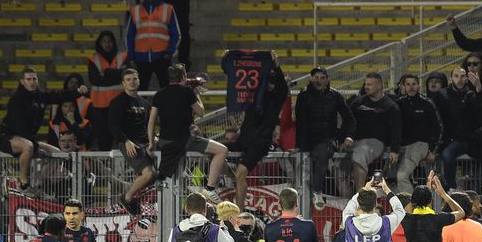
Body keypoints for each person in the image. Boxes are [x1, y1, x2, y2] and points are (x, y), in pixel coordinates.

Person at [0, 68, 89, 189]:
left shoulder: (39, 97)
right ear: (22, 81)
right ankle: (24, 183)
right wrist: (35, 146)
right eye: (28, 79)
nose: (32, 82)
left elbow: (58, 96)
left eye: (34, 79)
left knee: (57, 154)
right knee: (28, 146)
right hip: (8, 137)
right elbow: (20, 129)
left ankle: (38, 184)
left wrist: (77, 92)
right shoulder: (16, 100)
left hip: (29, 138)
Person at [148, 64, 227, 203]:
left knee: (176, 175)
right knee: (222, 150)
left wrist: (150, 143)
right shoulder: (187, 92)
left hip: (165, 141)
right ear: (183, 76)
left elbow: (151, 122)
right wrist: (196, 93)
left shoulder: (159, 94)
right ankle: (210, 189)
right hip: (185, 140)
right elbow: (201, 112)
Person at [226, 58, 289, 208]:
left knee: (241, 171)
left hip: (259, 143)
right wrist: (228, 62)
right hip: (243, 140)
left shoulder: (276, 98)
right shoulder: (253, 97)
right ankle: (231, 175)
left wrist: (276, 65)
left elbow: (282, 87)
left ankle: (239, 213)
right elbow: (238, 82)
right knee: (217, 150)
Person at [295, 66, 356, 210]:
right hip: (307, 141)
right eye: (316, 77)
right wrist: (301, 146)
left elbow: (349, 118)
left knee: (323, 153)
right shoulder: (303, 96)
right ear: (310, 79)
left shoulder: (335, 95)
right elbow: (300, 122)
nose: (319, 80)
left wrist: (346, 137)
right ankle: (303, 202)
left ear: (327, 80)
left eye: (322, 78)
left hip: (327, 140)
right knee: (303, 172)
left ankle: (317, 192)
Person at [107, 68, 155, 215]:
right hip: (128, 142)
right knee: (148, 174)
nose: (132, 82)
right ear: (123, 83)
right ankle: (127, 197)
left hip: (145, 142)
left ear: (139, 80)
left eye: (134, 79)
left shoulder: (145, 104)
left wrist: (153, 141)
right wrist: (126, 141)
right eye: (128, 80)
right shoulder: (117, 102)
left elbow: (148, 126)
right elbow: (113, 126)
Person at [347, 73, 401, 191]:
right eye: (366, 84)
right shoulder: (358, 102)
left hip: (376, 142)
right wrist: (346, 138)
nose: (366, 87)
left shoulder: (390, 106)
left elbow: (396, 130)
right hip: (356, 141)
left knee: (360, 154)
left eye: (370, 84)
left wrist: (394, 150)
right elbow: (348, 121)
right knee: (336, 164)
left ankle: (360, 198)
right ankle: (346, 199)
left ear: (379, 86)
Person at [393, 74, 443, 194]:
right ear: (403, 87)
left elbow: (437, 128)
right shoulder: (398, 103)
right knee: (391, 178)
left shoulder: (427, 103)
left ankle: (413, 206)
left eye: (414, 84)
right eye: (408, 84)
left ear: (419, 86)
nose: (411, 87)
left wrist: (433, 151)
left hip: (419, 145)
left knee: (401, 176)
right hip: (401, 147)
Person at [126, 0, 180, 90]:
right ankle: (141, 108)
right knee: (140, 91)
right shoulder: (135, 10)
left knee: (166, 90)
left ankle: (166, 108)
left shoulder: (168, 9)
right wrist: (131, 56)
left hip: (162, 56)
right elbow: (129, 35)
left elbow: (176, 34)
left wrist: (169, 53)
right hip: (141, 57)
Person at [88, 31, 128, 150]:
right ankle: (106, 165)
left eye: (109, 41)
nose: (107, 44)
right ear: (99, 43)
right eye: (104, 41)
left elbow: (127, 74)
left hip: (120, 103)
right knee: (104, 136)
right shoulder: (93, 59)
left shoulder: (123, 56)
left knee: (121, 135)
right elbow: (95, 80)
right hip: (100, 105)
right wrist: (117, 76)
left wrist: (107, 73)